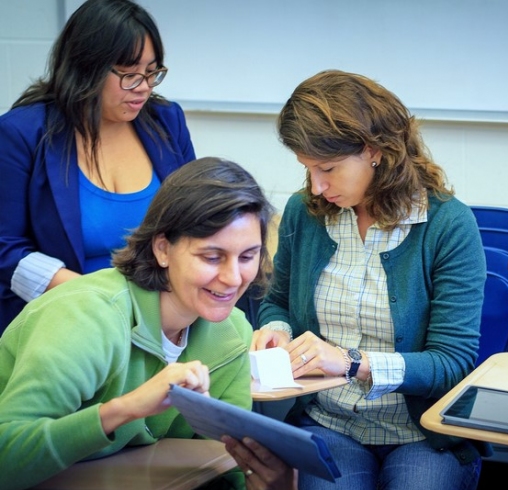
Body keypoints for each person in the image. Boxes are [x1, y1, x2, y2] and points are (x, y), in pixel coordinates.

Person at [252, 70, 487, 490]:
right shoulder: (304, 213)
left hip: (421, 433)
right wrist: (275, 331)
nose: (317, 186)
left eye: (328, 168)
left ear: (375, 151)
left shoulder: (448, 224)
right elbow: (278, 302)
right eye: (307, 170)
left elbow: (452, 364)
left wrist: (351, 363)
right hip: (329, 421)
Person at [0, 157, 294, 490]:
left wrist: (273, 485)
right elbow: (6, 457)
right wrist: (126, 409)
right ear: (163, 249)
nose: (232, 278)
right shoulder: (86, 317)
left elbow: (231, 470)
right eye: (211, 257)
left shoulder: (233, 333)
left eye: (247, 256)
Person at [0, 0, 196, 332]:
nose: (145, 87)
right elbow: (5, 248)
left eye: (152, 72)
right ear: (86, 67)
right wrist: (99, 301)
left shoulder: (166, 121)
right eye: (130, 75)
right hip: (64, 321)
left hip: (159, 321)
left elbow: (196, 218)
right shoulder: (22, 133)